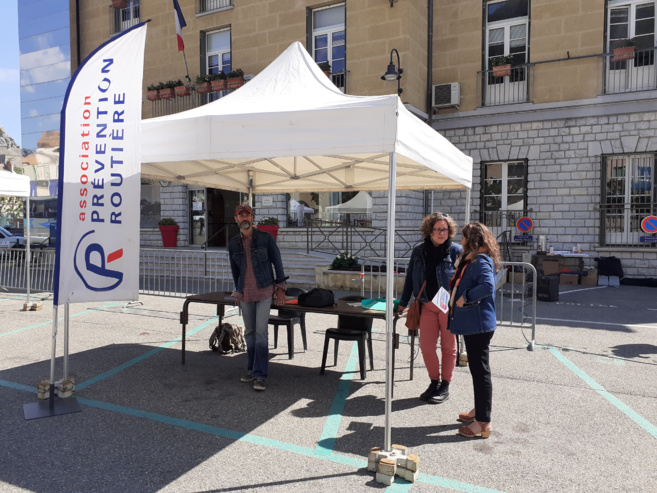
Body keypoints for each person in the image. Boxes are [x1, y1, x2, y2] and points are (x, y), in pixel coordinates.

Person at [398, 212, 462, 404]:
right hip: (426, 303)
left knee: (448, 347)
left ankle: (445, 384)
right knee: (426, 347)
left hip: (447, 306)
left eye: (445, 229)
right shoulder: (419, 251)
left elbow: (463, 278)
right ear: (429, 231)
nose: (442, 233)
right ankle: (433, 381)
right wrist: (402, 303)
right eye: (437, 229)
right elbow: (410, 277)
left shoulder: (456, 251)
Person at [448, 222, 501, 438]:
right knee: (478, 371)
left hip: (478, 324)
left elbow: (488, 286)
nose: (460, 242)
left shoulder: (479, 260)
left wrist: (466, 297)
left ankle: (483, 422)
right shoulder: (476, 259)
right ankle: (479, 412)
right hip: (476, 324)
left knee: (480, 372)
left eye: (463, 238)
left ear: (472, 240)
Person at [228, 204, 287, 391]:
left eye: (248, 215)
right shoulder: (233, 243)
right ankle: (251, 368)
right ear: (236, 219)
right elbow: (235, 270)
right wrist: (238, 290)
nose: (244, 219)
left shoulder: (266, 238)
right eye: (241, 216)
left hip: (264, 291)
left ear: (253, 218)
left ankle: (260, 375)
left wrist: (281, 288)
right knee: (249, 333)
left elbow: (277, 263)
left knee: (261, 333)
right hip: (245, 293)